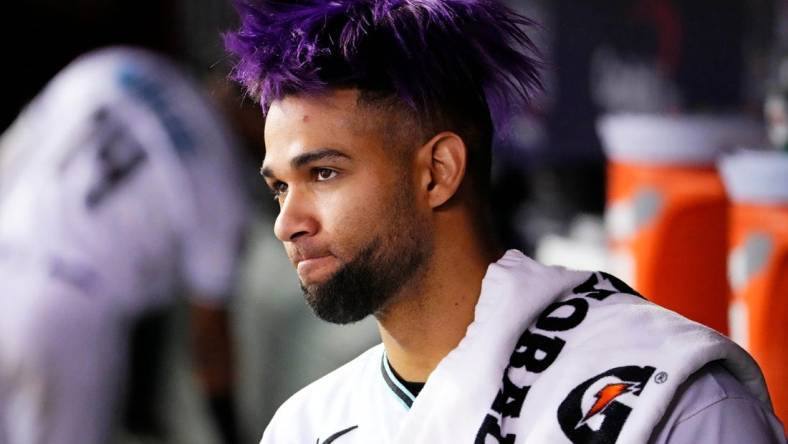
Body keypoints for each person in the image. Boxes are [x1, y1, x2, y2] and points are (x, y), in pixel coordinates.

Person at [225, 0, 787, 442]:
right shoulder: (306, 426)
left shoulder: (667, 400)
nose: (287, 223)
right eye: (278, 188)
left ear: (438, 171)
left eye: (323, 173)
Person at [0, 47, 248, 444]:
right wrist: (230, 431)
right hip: (70, 315)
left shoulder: (119, 65)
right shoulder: (222, 179)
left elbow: (10, 154)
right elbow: (208, 346)